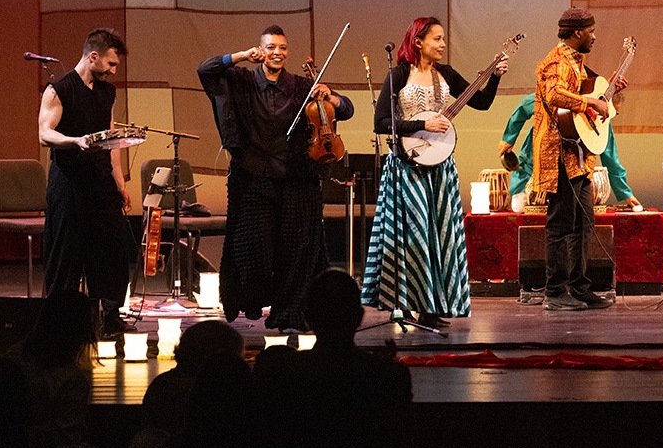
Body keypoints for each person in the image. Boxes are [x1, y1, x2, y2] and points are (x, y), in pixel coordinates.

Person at [198, 25, 355, 330]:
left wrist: (332, 99)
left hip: (295, 180)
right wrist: (242, 55)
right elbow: (205, 69)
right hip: (252, 177)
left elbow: (346, 109)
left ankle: (288, 313)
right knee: (252, 250)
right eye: (271, 47)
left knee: (294, 251)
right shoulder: (241, 80)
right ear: (261, 50)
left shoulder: (302, 86)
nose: (277, 53)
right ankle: (253, 299)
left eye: (282, 48)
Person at [363, 17, 508, 320]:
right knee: (413, 237)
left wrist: (494, 77)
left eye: (443, 39)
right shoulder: (399, 74)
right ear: (418, 42)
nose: (443, 44)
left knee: (439, 235)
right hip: (406, 168)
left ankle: (431, 307)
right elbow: (381, 123)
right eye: (437, 39)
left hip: (440, 168)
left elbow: (481, 103)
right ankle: (407, 302)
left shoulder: (446, 74)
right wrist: (422, 124)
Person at [37, 28, 136, 331]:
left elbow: (111, 141)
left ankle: (110, 315)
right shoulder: (59, 90)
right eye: (111, 63)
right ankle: (62, 319)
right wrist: (75, 141)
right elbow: (45, 133)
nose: (114, 70)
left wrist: (119, 183)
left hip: (100, 179)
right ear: (93, 56)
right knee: (66, 249)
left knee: (111, 247)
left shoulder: (107, 92)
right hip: (68, 181)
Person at [531, 9, 622, 311]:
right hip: (558, 151)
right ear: (577, 32)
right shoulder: (557, 61)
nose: (595, 36)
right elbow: (555, 94)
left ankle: (580, 286)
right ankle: (554, 292)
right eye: (591, 31)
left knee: (584, 221)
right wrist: (590, 101)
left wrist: (605, 95)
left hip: (577, 152)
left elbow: (582, 99)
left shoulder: (577, 63)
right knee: (560, 223)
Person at [497, 91, 641, 213]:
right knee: (519, 206)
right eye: (609, 111)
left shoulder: (603, 125)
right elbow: (525, 105)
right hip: (535, 159)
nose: (608, 115)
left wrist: (626, 193)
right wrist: (508, 139)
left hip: (567, 175)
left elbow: (611, 158)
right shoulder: (569, 100)